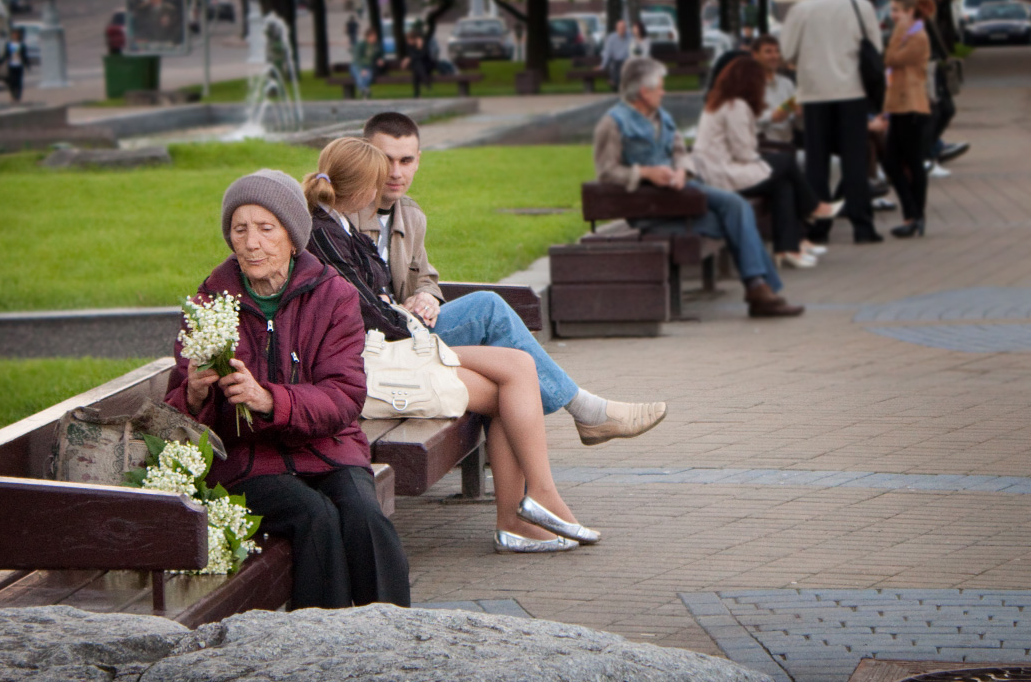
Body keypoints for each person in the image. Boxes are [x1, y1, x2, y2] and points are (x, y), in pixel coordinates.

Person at [302, 139, 600, 554]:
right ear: (364, 189)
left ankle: (525, 511)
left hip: (390, 351)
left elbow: (376, 302)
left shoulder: (340, 227)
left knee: (517, 369)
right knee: (514, 376)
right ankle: (529, 508)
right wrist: (409, 319)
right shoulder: (325, 233)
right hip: (374, 365)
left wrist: (408, 305)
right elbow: (372, 314)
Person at [164, 169, 410, 609]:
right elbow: (175, 411)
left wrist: (269, 400)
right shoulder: (209, 302)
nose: (251, 242)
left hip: (328, 447)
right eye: (240, 229)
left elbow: (344, 395)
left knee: (365, 518)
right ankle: (318, 640)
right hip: (248, 459)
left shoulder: (333, 295)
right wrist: (196, 394)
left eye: (265, 228)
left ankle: (392, 633)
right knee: (314, 516)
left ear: (293, 238)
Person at [348, 112, 666, 445]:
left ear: (418, 161)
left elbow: (426, 278)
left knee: (505, 369)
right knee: (488, 312)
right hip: (378, 345)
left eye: (406, 160)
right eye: (386, 160)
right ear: (364, 155)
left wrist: (427, 295)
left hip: (406, 333)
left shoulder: (411, 215)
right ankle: (586, 410)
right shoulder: (346, 214)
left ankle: (577, 423)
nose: (396, 172)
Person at [594, 57, 804, 317]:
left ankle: (759, 289)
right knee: (738, 215)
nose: (664, 92)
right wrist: (645, 173)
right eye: (660, 87)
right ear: (644, 92)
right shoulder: (613, 123)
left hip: (679, 195)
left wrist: (682, 171)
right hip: (651, 208)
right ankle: (759, 290)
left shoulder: (663, 117)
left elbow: (681, 154)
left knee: (736, 212)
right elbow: (606, 172)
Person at [693, 57, 838, 269]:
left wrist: (764, 159)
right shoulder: (736, 106)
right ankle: (813, 207)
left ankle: (787, 249)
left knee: (783, 185)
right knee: (785, 162)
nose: (763, 87)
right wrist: (764, 159)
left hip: (717, 172)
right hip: (725, 175)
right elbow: (743, 152)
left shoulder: (720, 101)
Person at [780, 0, 884, 245]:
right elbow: (875, 46)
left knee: (818, 163)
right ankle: (863, 226)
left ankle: (819, 227)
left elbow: (787, 51)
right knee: (855, 161)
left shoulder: (801, 10)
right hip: (853, 91)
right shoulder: (860, 5)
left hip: (815, 93)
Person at [882, 0, 932, 239]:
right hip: (899, 106)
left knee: (912, 162)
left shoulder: (917, 37)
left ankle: (914, 216)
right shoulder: (907, 35)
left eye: (897, 11)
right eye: (891, 10)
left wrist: (897, 33)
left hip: (912, 105)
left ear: (910, 12)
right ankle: (912, 213)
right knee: (891, 161)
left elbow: (890, 59)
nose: (893, 15)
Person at [926, 0, 970, 174]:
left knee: (946, 110)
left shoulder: (946, 6)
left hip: (939, 65)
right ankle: (928, 154)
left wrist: (948, 57)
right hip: (928, 66)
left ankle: (933, 148)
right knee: (938, 111)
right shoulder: (928, 7)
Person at [750, 36, 801, 145]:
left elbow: (797, 123)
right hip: (760, 146)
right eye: (768, 52)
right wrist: (772, 116)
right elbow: (744, 117)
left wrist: (800, 114)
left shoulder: (787, 84)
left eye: (777, 51)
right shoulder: (747, 84)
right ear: (755, 55)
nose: (774, 56)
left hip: (787, 145)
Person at [352, 28, 385, 99]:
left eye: (375, 36)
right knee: (360, 75)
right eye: (373, 36)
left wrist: (381, 59)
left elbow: (381, 55)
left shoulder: (376, 46)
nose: (375, 38)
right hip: (357, 66)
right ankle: (365, 89)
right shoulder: (361, 45)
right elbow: (357, 59)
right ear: (368, 37)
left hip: (368, 66)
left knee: (368, 75)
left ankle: (364, 90)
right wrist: (361, 69)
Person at [598, 19, 631, 90]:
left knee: (623, 65)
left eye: (624, 27)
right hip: (615, 61)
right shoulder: (611, 38)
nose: (622, 29)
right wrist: (602, 66)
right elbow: (607, 53)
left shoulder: (630, 37)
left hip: (626, 61)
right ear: (616, 28)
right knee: (615, 65)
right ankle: (618, 84)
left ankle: (615, 82)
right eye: (620, 28)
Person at [0, 28, 30, 103]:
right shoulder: (9, 45)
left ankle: (17, 96)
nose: (15, 36)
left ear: (19, 35)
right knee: (11, 81)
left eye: (17, 34)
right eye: (14, 34)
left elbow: (25, 56)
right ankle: (13, 95)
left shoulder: (22, 45)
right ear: (12, 35)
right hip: (11, 65)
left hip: (19, 65)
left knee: (18, 81)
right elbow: (5, 55)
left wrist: (27, 65)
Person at [400, 32, 432, 98]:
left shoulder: (423, 44)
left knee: (417, 66)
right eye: (407, 40)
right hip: (419, 68)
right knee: (417, 66)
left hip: (426, 65)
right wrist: (409, 59)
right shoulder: (408, 46)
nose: (408, 42)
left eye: (410, 40)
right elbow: (411, 55)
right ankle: (425, 81)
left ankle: (416, 93)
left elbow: (424, 56)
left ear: (414, 39)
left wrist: (420, 47)